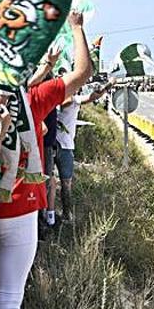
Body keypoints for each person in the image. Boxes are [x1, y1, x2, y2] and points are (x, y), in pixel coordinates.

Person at [0, 11, 92, 309]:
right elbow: (83, 72)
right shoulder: (33, 99)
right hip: (21, 207)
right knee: (9, 294)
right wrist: (77, 28)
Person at [53, 81, 112, 223]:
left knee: (51, 182)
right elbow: (92, 97)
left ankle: (55, 214)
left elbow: (92, 96)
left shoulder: (63, 100)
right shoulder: (72, 100)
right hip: (63, 147)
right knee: (64, 183)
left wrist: (107, 87)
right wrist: (108, 85)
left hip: (53, 145)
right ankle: (63, 215)